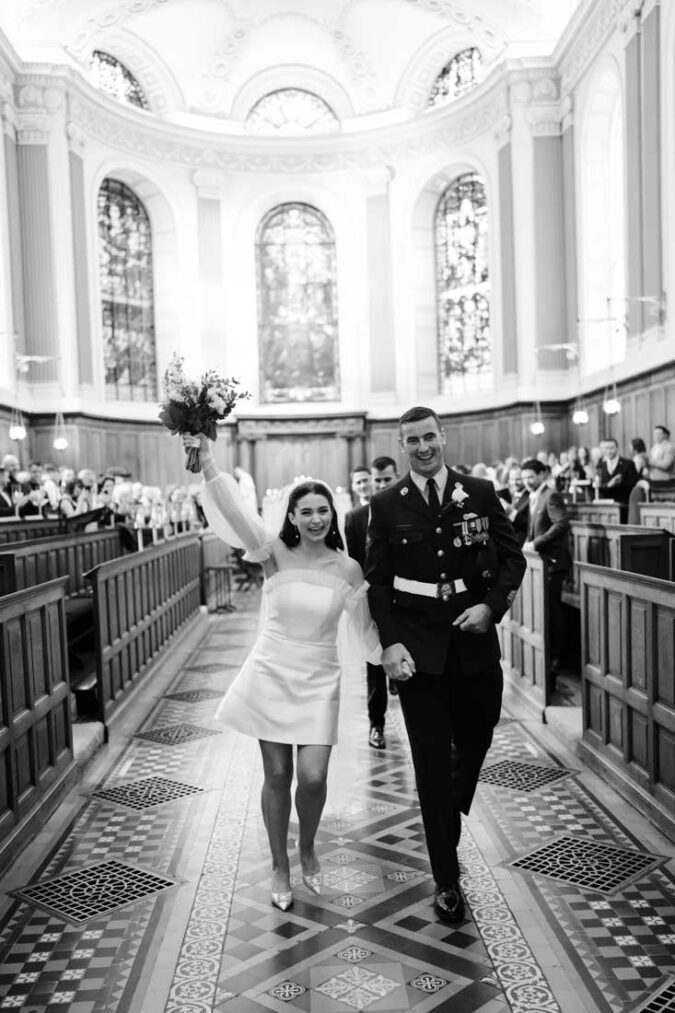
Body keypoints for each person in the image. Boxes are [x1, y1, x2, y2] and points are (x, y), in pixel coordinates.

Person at [183, 431, 380, 912]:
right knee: (277, 772)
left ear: (333, 516)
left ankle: (307, 845)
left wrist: (388, 656)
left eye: (323, 510)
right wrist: (208, 461)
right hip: (272, 670)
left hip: (320, 676)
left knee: (312, 777)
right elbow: (233, 512)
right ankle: (279, 863)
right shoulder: (272, 552)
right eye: (306, 511)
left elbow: (365, 628)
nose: (316, 518)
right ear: (291, 516)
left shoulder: (349, 569)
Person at [365, 406, 526, 925]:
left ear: (444, 436)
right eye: (412, 440)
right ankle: (446, 880)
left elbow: (513, 559)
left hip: (474, 643)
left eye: (429, 436)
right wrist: (389, 646)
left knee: (479, 732)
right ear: (403, 443)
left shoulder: (478, 491)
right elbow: (379, 582)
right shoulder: (386, 504)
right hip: (419, 656)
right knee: (430, 765)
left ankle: (448, 798)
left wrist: (491, 607)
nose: (423, 447)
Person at [344, 455, 398, 749]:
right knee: (374, 664)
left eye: (384, 480)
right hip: (372, 598)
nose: (377, 485)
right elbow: (354, 561)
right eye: (373, 480)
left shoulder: (404, 509)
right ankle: (376, 724)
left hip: (405, 596)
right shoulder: (354, 517)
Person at [521, 458, 571, 681]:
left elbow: (561, 524)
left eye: (531, 477)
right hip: (540, 562)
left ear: (542, 475)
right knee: (545, 610)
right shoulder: (533, 495)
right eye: (524, 478)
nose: (527, 481)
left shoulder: (550, 495)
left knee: (552, 611)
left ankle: (556, 661)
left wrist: (536, 543)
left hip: (553, 562)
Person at [595, 438, 638, 507]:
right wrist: (608, 485)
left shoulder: (628, 464)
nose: (609, 451)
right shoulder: (600, 466)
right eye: (606, 448)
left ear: (617, 448)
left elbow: (634, 483)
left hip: (624, 504)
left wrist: (619, 483)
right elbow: (598, 485)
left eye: (611, 448)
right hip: (606, 504)